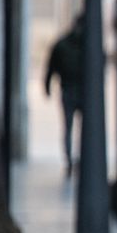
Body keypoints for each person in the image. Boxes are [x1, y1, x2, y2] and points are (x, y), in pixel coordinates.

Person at [44, 14, 87, 174]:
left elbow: (50, 68)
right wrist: (47, 85)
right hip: (75, 91)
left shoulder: (65, 44)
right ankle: (72, 159)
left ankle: (71, 159)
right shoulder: (83, 45)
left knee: (70, 127)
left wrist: (47, 85)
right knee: (73, 127)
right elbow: (51, 66)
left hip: (71, 90)